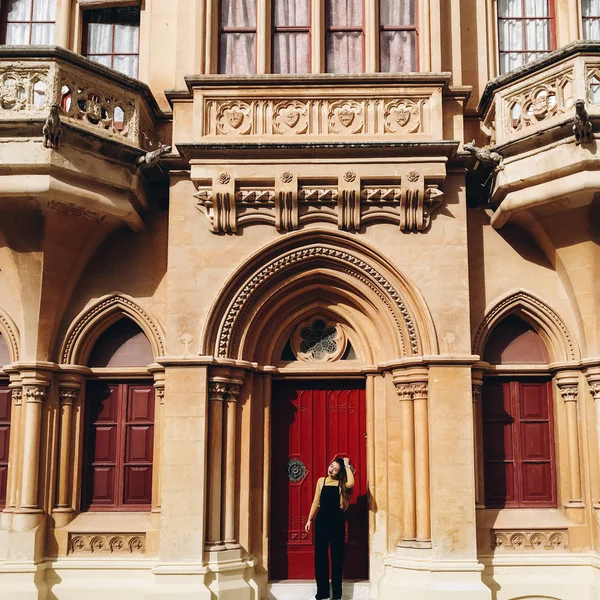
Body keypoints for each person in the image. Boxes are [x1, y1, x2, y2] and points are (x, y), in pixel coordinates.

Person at [304, 456, 355, 600]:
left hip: (337, 523)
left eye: (335, 469)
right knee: (320, 557)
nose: (331, 469)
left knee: (337, 558)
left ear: (339, 472)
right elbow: (316, 501)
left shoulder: (341, 483)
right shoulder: (322, 481)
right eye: (331, 466)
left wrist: (346, 465)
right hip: (321, 523)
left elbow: (351, 482)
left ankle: (337, 595)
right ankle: (323, 592)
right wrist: (309, 519)